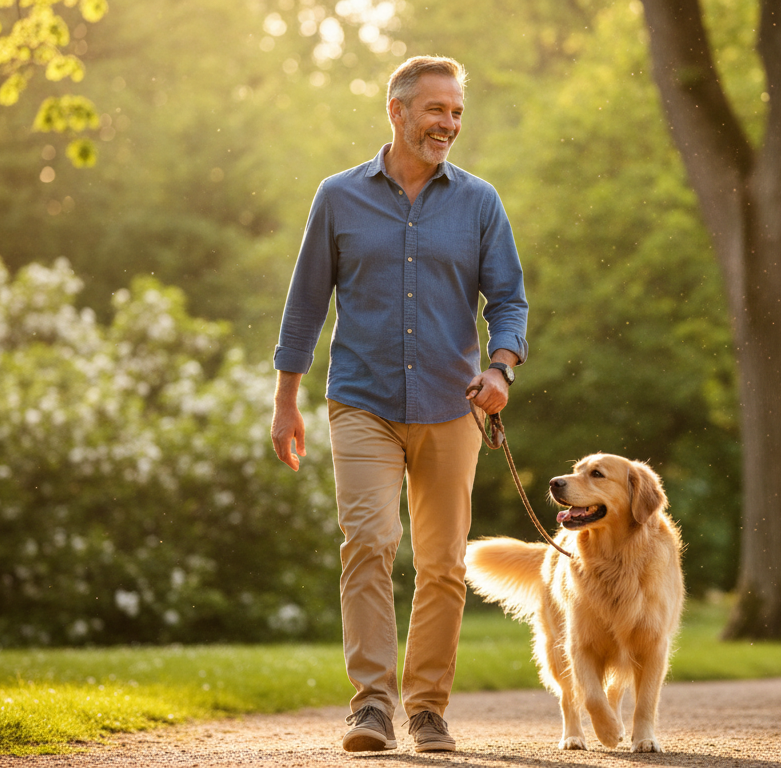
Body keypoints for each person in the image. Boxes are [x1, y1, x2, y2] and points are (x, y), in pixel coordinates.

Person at [269, 55, 528, 754]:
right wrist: (286, 400)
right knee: (369, 543)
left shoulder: (479, 202)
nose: (448, 124)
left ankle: (428, 710)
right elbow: (305, 304)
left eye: (456, 113)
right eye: (436, 110)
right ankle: (372, 708)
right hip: (362, 400)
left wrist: (501, 367)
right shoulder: (338, 196)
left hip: (453, 405)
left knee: (443, 563)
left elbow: (507, 300)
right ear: (398, 110)